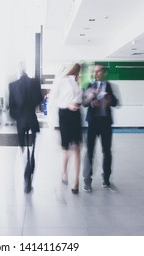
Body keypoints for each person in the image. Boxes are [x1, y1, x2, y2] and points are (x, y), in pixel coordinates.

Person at [82, 64, 119, 192]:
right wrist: (92, 101)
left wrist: (109, 99)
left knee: (107, 152)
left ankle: (106, 179)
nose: (96, 74)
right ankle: (87, 181)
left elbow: (116, 102)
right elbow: (84, 103)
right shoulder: (89, 85)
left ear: (103, 73)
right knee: (90, 152)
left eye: (98, 71)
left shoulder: (109, 86)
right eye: (95, 72)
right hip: (93, 123)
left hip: (105, 123)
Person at [8, 62, 43, 193]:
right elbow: (39, 99)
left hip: (21, 122)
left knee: (23, 150)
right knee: (32, 150)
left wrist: (18, 117)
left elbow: (11, 107)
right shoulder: (34, 82)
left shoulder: (13, 86)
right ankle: (28, 176)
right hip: (32, 119)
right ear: (26, 69)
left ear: (19, 70)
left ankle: (27, 174)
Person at [51, 63, 82, 194]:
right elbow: (53, 99)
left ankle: (76, 181)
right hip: (65, 114)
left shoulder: (77, 83)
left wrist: (78, 102)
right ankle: (64, 172)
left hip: (76, 114)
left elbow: (79, 98)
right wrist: (68, 105)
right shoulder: (62, 81)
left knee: (76, 147)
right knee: (66, 148)